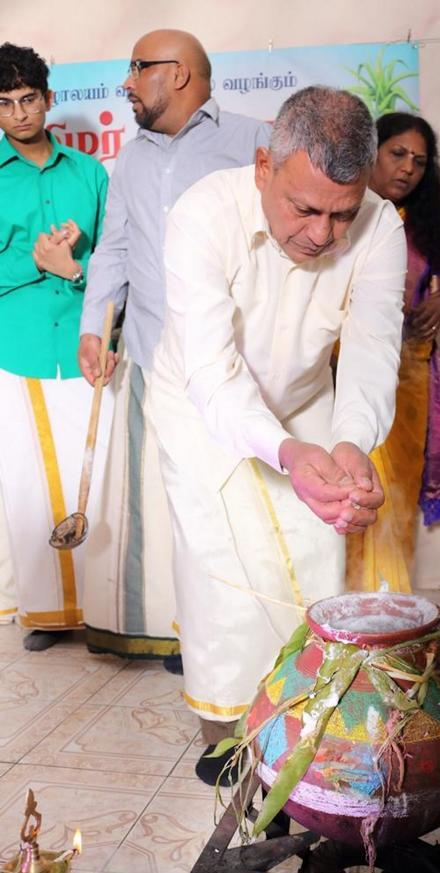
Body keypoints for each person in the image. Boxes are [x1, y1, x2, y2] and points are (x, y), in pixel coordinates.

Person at [146, 85, 407, 783]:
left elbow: (372, 350)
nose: (323, 234)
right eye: (305, 209)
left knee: (318, 553)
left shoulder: (381, 226)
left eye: (342, 213)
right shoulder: (203, 214)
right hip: (201, 403)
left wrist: (351, 442)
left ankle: (305, 724)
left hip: (306, 400)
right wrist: (285, 451)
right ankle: (227, 735)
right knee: (225, 571)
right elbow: (212, 368)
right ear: (264, 166)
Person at [77, 30, 271, 664]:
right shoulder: (130, 159)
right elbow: (115, 249)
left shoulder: (251, 142)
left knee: (237, 502)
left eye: (138, 68)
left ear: (180, 73)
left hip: (235, 363)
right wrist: (93, 328)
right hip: (151, 354)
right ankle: (186, 632)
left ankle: (247, 635)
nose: (126, 82)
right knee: (171, 504)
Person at [0, 42, 110, 649]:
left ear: (49, 98)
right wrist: (36, 263)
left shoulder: (90, 174)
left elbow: (117, 262)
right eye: (5, 103)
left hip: (87, 343)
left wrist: (74, 266)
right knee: (29, 485)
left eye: (28, 99)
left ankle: (103, 609)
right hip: (16, 348)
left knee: (93, 476)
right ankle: (44, 613)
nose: (19, 114)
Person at [346, 112, 440, 594]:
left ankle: (390, 600)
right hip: (342, 373)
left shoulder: (425, 227)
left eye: (420, 161)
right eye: (398, 154)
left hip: (406, 377)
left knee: (395, 493)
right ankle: (341, 602)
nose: (408, 168)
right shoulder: (342, 211)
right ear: (371, 152)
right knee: (351, 484)